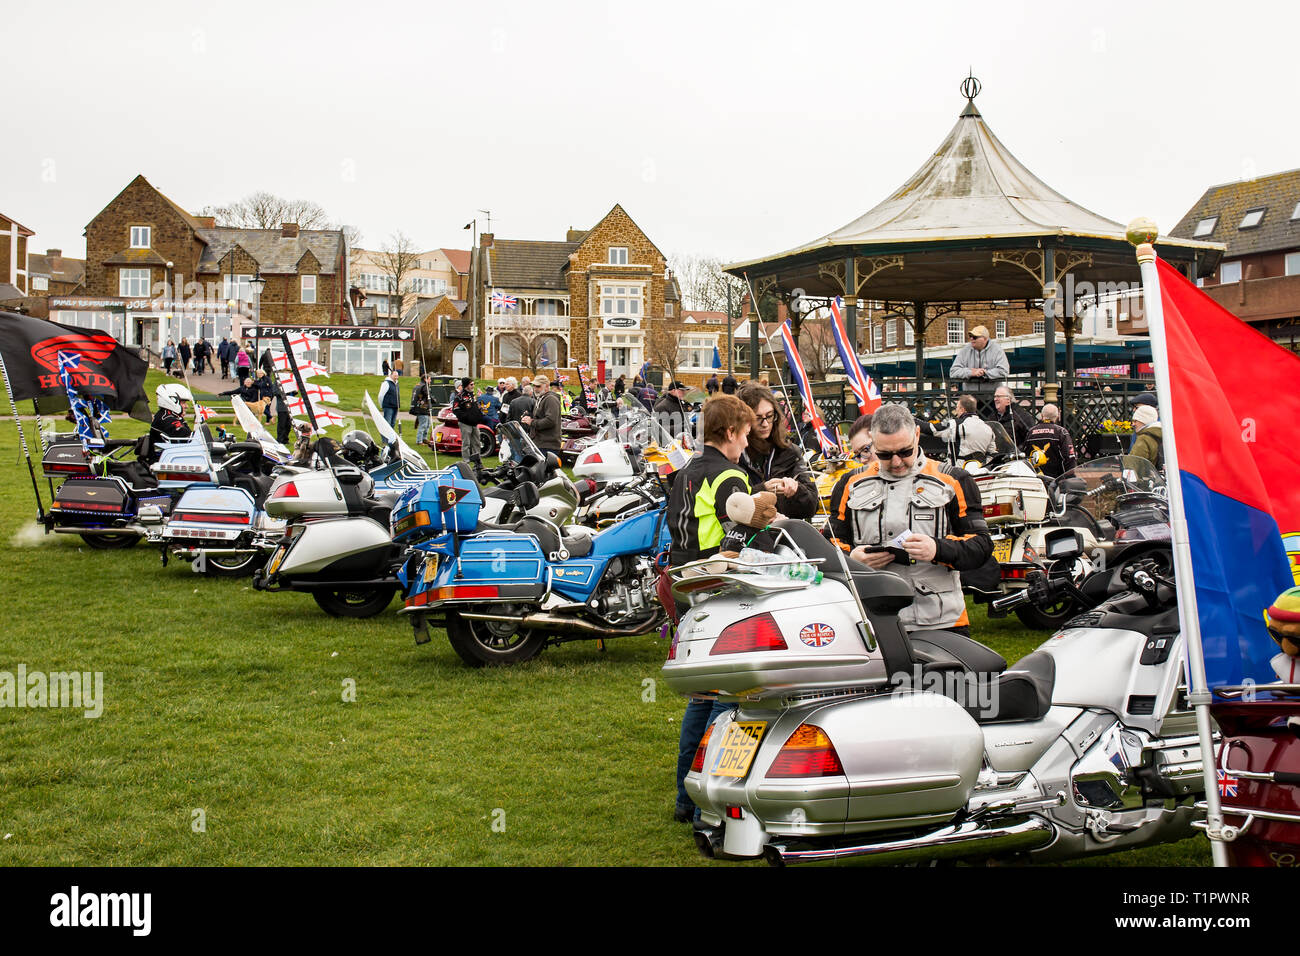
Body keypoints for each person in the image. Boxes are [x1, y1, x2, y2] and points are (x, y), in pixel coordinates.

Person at [667, 394, 762, 823]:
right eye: (744, 434)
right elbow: (738, 538)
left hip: (684, 583)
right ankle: (713, 797)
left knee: (701, 695)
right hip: (717, 586)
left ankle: (685, 800)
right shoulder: (730, 475)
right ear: (729, 433)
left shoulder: (686, 470)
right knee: (727, 698)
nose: (746, 443)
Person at [827, 402, 993, 635]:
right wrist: (852, 559)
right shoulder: (849, 483)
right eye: (885, 454)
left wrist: (937, 549)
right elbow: (828, 546)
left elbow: (982, 546)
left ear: (917, 434)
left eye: (905, 452)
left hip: (941, 621)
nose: (896, 462)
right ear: (873, 443)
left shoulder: (954, 479)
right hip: (873, 619)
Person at [736, 382, 818, 520]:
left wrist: (797, 490)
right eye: (758, 418)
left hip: (785, 533)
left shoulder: (790, 452)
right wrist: (762, 490)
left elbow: (812, 506)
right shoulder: (734, 454)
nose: (765, 424)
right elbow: (730, 503)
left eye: (769, 416)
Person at [922, 394, 999, 463]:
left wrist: (912, 420)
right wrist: (982, 467)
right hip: (978, 472)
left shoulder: (956, 424)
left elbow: (931, 429)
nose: (956, 410)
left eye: (957, 408)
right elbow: (992, 453)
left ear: (962, 410)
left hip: (957, 472)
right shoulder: (988, 428)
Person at [1022, 404, 1076, 478]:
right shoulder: (1061, 432)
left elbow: (1025, 455)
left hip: (1036, 478)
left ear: (1041, 415)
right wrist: (1070, 478)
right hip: (1056, 479)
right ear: (1057, 416)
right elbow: (1069, 457)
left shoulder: (1031, 432)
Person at [949, 325, 1009, 389]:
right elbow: (953, 372)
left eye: (975, 337)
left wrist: (984, 373)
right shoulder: (965, 350)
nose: (971, 339)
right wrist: (971, 372)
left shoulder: (997, 350)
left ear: (985, 338)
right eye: (970, 336)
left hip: (993, 396)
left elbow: (1004, 371)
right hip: (970, 396)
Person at [523, 374, 563, 459]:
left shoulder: (550, 399)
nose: (535, 388)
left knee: (543, 471)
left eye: (538, 386)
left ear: (547, 386)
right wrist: (528, 418)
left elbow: (551, 420)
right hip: (540, 443)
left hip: (548, 445)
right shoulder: (541, 398)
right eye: (534, 386)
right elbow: (541, 417)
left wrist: (532, 422)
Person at [150, 383, 194, 457]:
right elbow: (186, 435)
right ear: (172, 401)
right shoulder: (166, 418)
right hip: (162, 460)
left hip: (173, 456)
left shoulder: (172, 416)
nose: (186, 406)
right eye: (183, 403)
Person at [451, 377, 484, 467]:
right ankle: (466, 462)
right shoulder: (459, 396)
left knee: (477, 443)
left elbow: (475, 406)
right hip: (465, 423)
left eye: (473, 384)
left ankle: (478, 462)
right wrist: (465, 417)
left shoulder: (472, 395)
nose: (473, 386)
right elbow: (455, 409)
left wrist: (479, 413)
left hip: (474, 423)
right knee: (466, 443)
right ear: (466, 386)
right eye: (471, 384)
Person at [1130, 404, 1163, 468]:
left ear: (1144, 420)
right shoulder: (1164, 434)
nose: (1133, 424)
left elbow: (1133, 464)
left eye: (1135, 421)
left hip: (1147, 477)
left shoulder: (1144, 439)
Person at [410, 373, 433, 446]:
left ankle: (424, 438)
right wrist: (434, 400)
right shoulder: (424, 386)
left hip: (418, 407)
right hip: (422, 408)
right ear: (425, 379)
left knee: (428, 424)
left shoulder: (417, 385)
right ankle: (419, 441)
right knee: (423, 425)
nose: (430, 380)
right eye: (429, 379)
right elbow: (428, 395)